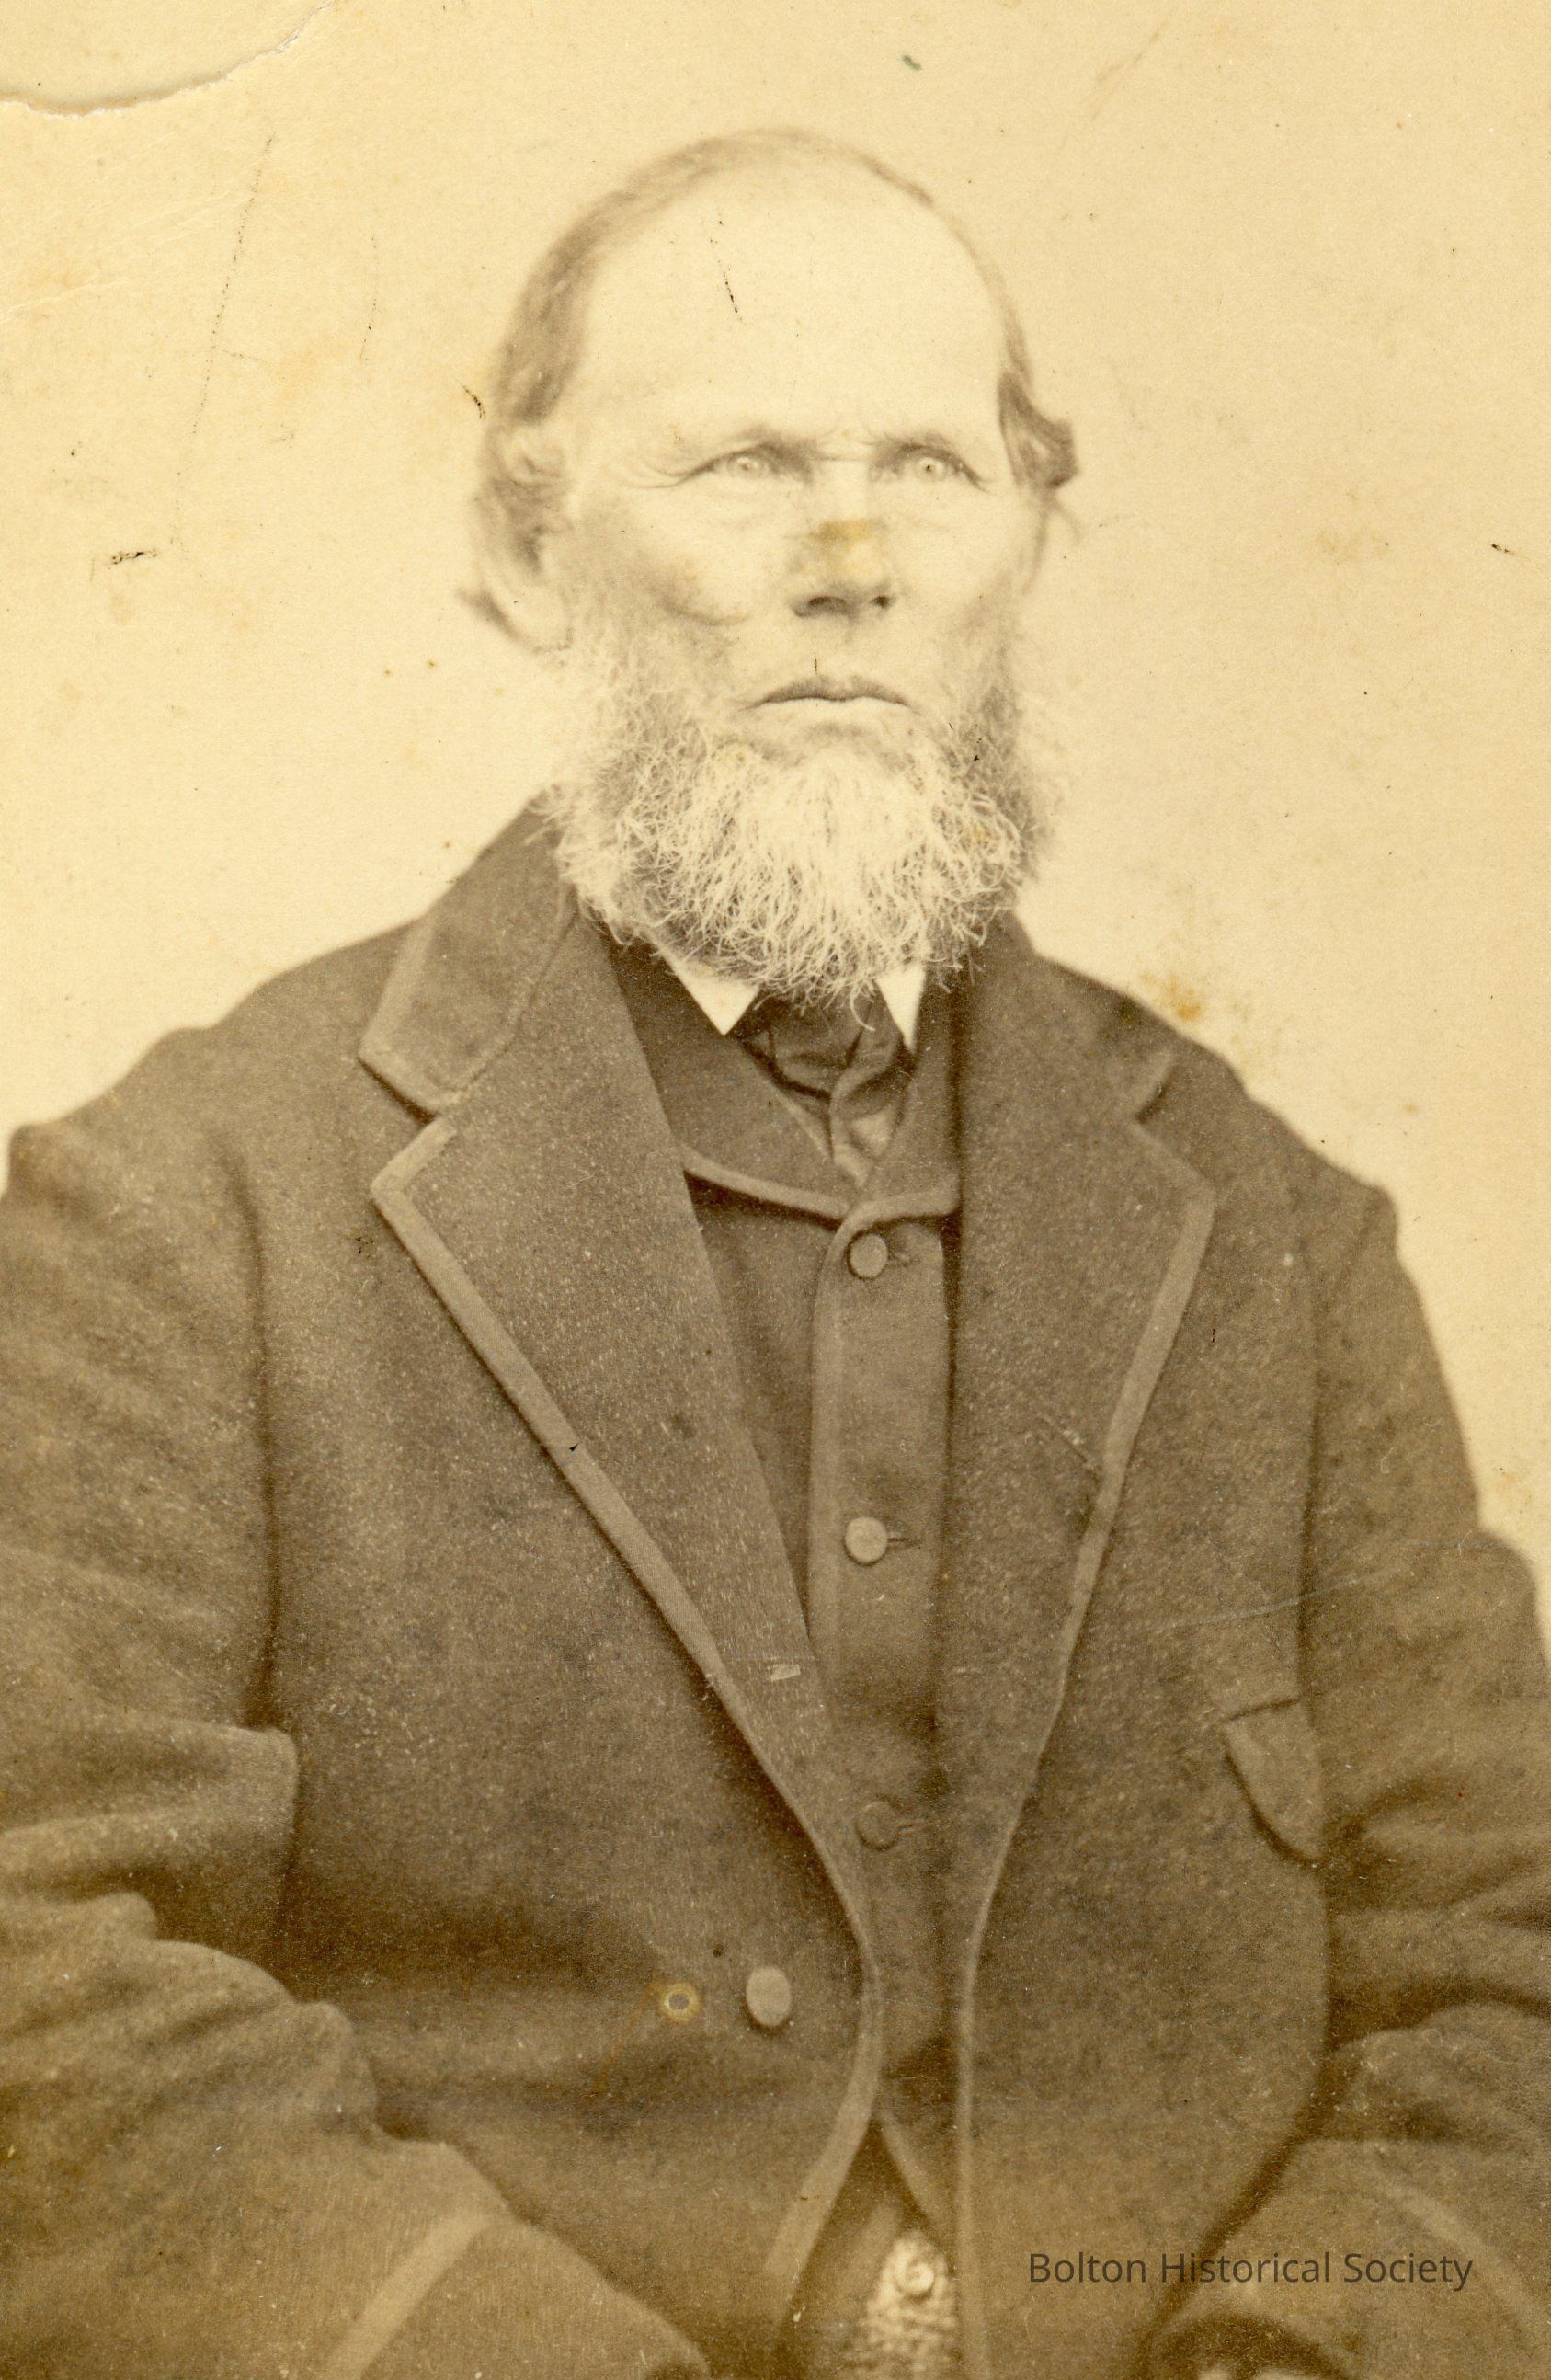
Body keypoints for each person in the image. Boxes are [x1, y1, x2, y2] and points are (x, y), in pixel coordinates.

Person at [1, 129, 1547, 2380]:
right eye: (743, 465)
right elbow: (41, 1966)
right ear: (524, 553)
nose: (853, 564)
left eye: (927, 466)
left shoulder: (1277, 1240)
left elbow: (1506, 1960)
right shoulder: (176, 1209)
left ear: (1027, 542)